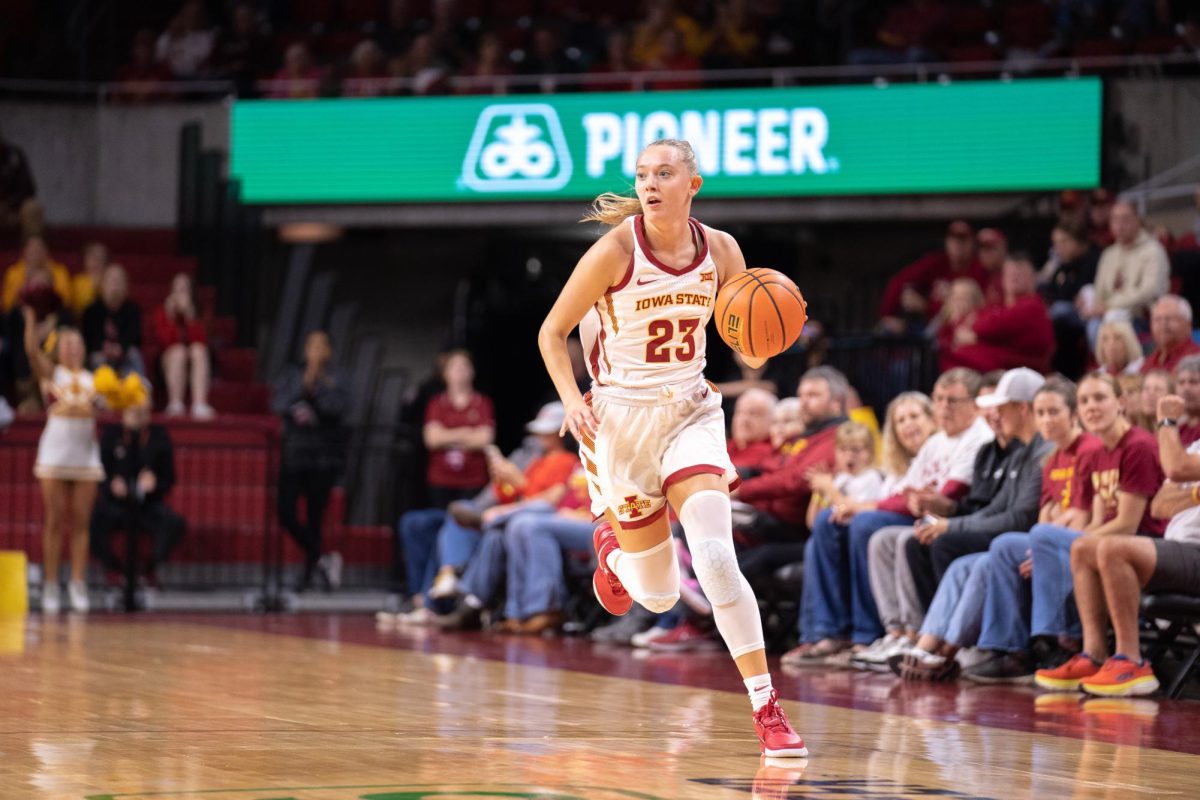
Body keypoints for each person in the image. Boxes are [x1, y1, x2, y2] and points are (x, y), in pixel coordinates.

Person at [537, 138, 808, 757]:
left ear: (694, 184)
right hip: (620, 424)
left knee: (715, 559)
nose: (650, 183)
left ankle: (767, 708)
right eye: (641, 175)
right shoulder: (613, 251)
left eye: (664, 172)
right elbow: (552, 332)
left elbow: (745, 344)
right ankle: (612, 550)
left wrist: (767, 335)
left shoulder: (722, 248)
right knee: (656, 595)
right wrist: (572, 398)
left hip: (690, 411)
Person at [890, 379, 1097, 681]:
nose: (995, 417)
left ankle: (1001, 650)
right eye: (1042, 412)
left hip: (1060, 541)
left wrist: (952, 523)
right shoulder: (1044, 454)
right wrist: (951, 521)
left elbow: (1057, 515)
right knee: (963, 565)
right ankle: (929, 648)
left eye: (1052, 412)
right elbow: (1041, 511)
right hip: (1042, 537)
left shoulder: (1061, 450)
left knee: (995, 550)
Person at [787, 368, 992, 663]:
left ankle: (869, 631)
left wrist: (856, 503)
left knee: (866, 525)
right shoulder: (932, 446)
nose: (944, 408)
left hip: (947, 519)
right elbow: (904, 496)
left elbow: (941, 496)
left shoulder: (970, 439)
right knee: (827, 524)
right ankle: (832, 632)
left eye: (914, 417)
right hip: (916, 515)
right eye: (940, 400)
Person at [968, 373, 1164, 683]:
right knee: (1007, 545)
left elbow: (1127, 523)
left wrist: (1064, 546)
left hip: (1143, 545)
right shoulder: (1100, 451)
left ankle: (1057, 641)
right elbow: (1098, 520)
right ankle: (1011, 650)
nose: (1091, 407)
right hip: (1105, 541)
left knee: (1047, 537)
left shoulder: (1137, 445)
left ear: (1122, 403)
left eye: (1100, 398)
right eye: (1085, 400)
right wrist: (1060, 545)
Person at [1033, 391, 1200, 696]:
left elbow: (1175, 469)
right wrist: (1195, 495)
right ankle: (1094, 654)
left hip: (1195, 553)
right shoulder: (1196, 448)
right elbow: (1160, 505)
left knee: (1112, 547)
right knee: (1083, 547)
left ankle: (1131, 661)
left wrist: (1166, 421)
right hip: (1178, 548)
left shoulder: (1162, 447)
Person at [23, 305, 104, 613]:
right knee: (54, 521)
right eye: (68, 345)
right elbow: (31, 351)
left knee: (81, 523)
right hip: (55, 454)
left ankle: (78, 583)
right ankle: (51, 584)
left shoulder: (95, 378)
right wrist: (31, 319)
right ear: (59, 349)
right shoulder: (50, 373)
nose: (73, 349)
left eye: (78, 344)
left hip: (85, 455)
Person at [272, 331, 350, 592]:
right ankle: (322, 559)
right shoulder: (293, 374)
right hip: (294, 454)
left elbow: (338, 408)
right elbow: (278, 402)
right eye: (311, 345)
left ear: (329, 350)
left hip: (322, 457)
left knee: (315, 517)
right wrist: (301, 393)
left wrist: (316, 394)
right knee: (286, 512)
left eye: (321, 346)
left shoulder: (336, 378)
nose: (316, 351)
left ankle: (308, 574)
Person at [90, 398, 185, 594]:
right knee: (91, 522)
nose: (137, 414)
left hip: (147, 505)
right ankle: (114, 571)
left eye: (141, 410)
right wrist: (111, 485)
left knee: (173, 522)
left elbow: (169, 479)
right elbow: (99, 473)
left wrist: (156, 483)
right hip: (116, 504)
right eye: (132, 411)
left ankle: (148, 571)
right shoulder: (111, 435)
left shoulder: (159, 437)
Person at [939, 255, 1055, 374]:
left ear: (1032, 278)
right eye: (1010, 273)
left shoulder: (1032, 306)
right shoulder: (999, 306)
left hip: (1022, 372)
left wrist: (975, 336)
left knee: (957, 357)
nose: (1014, 277)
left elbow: (987, 326)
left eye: (1019, 273)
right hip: (998, 368)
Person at [1082, 200, 1170, 347]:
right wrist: (1097, 306)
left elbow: (1150, 290)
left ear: (1138, 220)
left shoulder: (1153, 250)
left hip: (1141, 316)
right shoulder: (1108, 254)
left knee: (1109, 322)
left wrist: (1110, 305)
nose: (1120, 225)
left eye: (1125, 219)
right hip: (1107, 313)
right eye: (1115, 219)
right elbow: (1100, 290)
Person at [879, 220, 986, 333]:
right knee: (887, 330)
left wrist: (925, 305)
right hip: (931, 328)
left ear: (972, 243)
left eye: (963, 239)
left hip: (963, 328)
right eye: (953, 238)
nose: (958, 244)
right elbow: (898, 281)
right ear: (947, 241)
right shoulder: (937, 262)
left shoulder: (980, 267)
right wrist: (887, 315)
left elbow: (965, 309)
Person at [422, 349, 495, 508]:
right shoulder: (436, 403)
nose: (460, 371)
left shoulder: (482, 403)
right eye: (454, 367)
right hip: (441, 479)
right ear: (445, 373)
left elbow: (484, 439)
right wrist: (466, 433)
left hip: (473, 479)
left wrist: (446, 435)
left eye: (464, 366)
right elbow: (432, 439)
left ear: (472, 371)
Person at [150, 272, 213, 419]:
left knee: (198, 350)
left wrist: (190, 318)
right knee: (179, 351)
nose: (180, 294)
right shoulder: (162, 312)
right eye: (177, 290)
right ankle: (175, 403)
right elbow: (165, 341)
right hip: (169, 362)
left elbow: (202, 340)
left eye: (184, 290)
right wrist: (171, 317)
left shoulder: (200, 313)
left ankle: (199, 403)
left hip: (196, 361)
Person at [82, 264, 144, 377]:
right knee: (95, 358)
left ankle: (138, 389)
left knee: (134, 354)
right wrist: (103, 347)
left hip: (123, 354)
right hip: (100, 353)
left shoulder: (133, 309)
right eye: (111, 281)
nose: (115, 285)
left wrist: (121, 347)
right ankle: (99, 391)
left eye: (119, 281)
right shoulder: (92, 310)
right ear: (103, 284)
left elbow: (136, 337)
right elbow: (88, 338)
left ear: (126, 286)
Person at [2, 236, 70, 313]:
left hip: (52, 312)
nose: (36, 252)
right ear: (24, 251)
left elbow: (66, 301)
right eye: (32, 249)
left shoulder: (59, 271)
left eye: (39, 248)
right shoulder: (13, 272)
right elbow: (7, 305)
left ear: (46, 251)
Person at [0, 128, 42, 241]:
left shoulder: (14, 156)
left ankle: (31, 251)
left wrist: (9, 203)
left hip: (14, 208)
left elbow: (28, 188)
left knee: (32, 208)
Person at [1141, 294, 1200, 374]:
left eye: (1170, 318)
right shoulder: (1148, 363)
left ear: (1188, 325)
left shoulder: (1196, 359)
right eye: (1157, 319)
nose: (1163, 325)